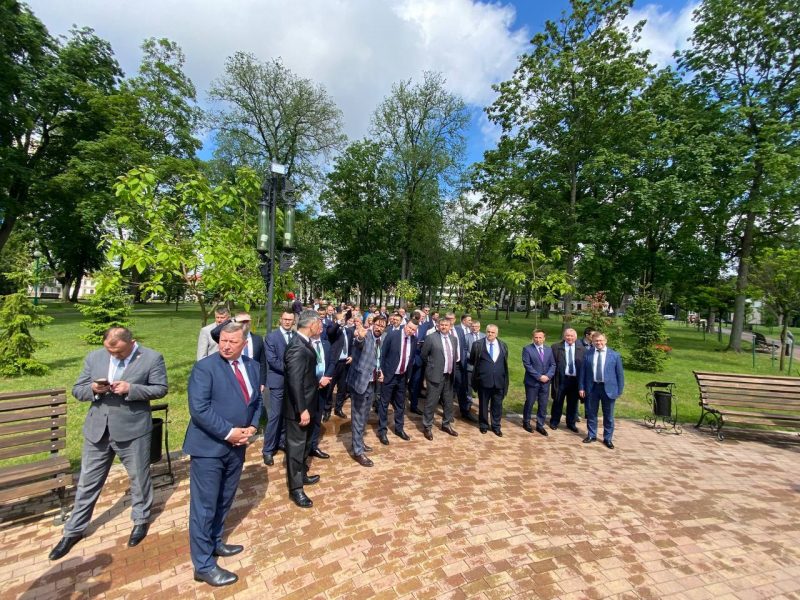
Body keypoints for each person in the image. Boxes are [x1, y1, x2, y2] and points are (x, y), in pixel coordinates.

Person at [49, 327, 168, 561]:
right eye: (109, 351)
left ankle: (141, 520)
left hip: (133, 430)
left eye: (119, 352)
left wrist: (131, 389)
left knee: (139, 479)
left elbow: (160, 389)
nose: (114, 355)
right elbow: (77, 390)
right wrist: (93, 389)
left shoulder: (152, 358)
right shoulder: (94, 357)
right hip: (98, 430)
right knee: (87, 482)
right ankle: (73, 530)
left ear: (132, 342)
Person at [184, 321, 262, 586]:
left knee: (225, 499)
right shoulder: (205, 368)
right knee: (204, 507)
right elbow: (199, 409)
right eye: (223, 341)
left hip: (237, 448)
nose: (226, 346)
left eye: (233, 342)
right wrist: (229, 432)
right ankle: (203, 565)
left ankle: (215, 541)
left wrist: (253, 426)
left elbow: (256, 401)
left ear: (244, 343)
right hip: (209, 449)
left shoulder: (252, 366)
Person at [283, 310, 323, 508]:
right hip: (299, 409)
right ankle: (296, 489)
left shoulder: (305, 342)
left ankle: (302, 474)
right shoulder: (297, 347)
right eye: (319, 324)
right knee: (296, 448)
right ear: (311, 325)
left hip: (309, 403)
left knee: (305, 444)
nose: (321, 327)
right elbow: (295, 381)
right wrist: (302, 409)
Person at [347, 315, 386, 467]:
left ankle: (359, 442)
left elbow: (377, 359)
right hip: (360, 382)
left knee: (364, 416)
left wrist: (380, 371)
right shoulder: (365, 335)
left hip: (371, 383)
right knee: (358, 416)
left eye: (382, 326)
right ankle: (357, 452)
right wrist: (360, 337)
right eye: (377, 324)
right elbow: (358, 343)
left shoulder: (380, 340)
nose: (379, 328)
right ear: (372, 324)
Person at [579, 332, 624, 449]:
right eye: (596, 341)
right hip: (592, 388)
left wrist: (619, 390)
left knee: (608, 415)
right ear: (592, 342)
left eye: (601, 340)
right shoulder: (588, 354)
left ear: (605, 341)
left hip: (608, 389)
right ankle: (591, 435)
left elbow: (620, 375)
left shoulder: (614, 355)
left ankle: (607, 438)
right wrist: (581, 387)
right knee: (591, 413)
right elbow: (583, 372)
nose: (598, 343)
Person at [262, 312, 295, 466]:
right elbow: (272, 360)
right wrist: (292, 370)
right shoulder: (271, 337)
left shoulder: (296, 336)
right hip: (278, 381)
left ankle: (282, 441)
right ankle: (268, 450)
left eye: (290, 320)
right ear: (280, 320)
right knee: (275, 416)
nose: (287, 322)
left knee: (287, 414)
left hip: (293, 383)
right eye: (285, 319)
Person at [377, 319, 418, 444]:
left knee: (400, 404)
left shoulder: (414, 340)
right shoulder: (392, 335)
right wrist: (381, 371)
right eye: (409, 327)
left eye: (413, 330)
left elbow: (411, 359)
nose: (410, 331)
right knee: (384, 404)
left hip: (402, 377)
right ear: (405, 325)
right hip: (389, 375)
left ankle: (399, 429)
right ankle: (382, 431)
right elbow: (383, 354)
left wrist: (408, 375)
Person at [420, 316, 459, 440]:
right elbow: (424, 355)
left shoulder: (453, 339)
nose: (444, 327)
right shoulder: (431, 338)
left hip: (449, 375)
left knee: (448, 402)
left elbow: (454, 355)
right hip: (435, 375)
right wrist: (432, 366)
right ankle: (427, 426)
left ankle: (446, 424)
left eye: (446, 325)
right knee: (431, 402)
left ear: (450, 327)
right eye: (441, 325)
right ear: (438, 326)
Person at [469, 324, 509, 436]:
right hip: (483, 381)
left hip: (499, 381)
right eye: (488, 332)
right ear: (485, 332)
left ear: (497, 334)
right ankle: (483, 425)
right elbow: (473, 360)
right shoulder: (477, 345)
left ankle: (496, 426)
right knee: (483, 405)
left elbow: (504, 361)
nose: (490, 334)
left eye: (493, 332)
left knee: (497, 405)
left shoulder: (503, 345)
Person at [549, 328, 585, 433]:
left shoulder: (582, 349)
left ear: (576, 337)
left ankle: (571, 423)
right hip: (561, 379)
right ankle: (554, 421)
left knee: (573, 403)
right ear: (564, 336)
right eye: (567, 335)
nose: (569, 338)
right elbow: (551, 363)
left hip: (575, 380)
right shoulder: (556, 347)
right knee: (558, 401)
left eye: (572, 336)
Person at [522, 329, 556, 436]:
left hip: (545, 382)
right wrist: (539, 376)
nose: (538, 339)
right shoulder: (527, 349)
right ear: (533, 338)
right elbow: (527, 365)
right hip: (532, 382)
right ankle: (526, 422)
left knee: (543, 404)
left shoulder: (549, 349)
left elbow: (553, 365)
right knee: (530, 402)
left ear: (544, 338)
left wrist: (548, 376)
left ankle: (540, 425)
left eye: (540, 337)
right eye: (536, 337)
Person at [308, 329, 334, 459]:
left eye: (320, 326)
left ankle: (313, 446)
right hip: (309, 388)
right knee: (307, 418)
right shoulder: (306, 343)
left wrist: (326, 377)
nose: (318, 328)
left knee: (318, 418)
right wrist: (315, 381)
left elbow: (332, 362)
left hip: (323, 386)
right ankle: (304, 448)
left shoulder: (326, 344)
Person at [328, 312, 353, 419]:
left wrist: (351, 356)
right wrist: (338, 323)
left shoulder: (349, 331)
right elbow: (331, 332)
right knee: (330, 388)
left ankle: (338, 408)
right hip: (334, 363)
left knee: (342, 388)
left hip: (345, 363)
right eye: (340, 318)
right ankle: (327, 409)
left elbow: (352, 345)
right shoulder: (333, 330)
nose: (343, 319)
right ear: (335, 320)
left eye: (344, 318)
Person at [454, 314, 476, 422]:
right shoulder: (457, 329)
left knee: (462, 388)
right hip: (449, 364)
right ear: (463, 320)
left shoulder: (466, 331)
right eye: (469, 320)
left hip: (461, 364)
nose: (471, 322)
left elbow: (464, 347)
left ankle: (465, 411)